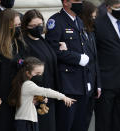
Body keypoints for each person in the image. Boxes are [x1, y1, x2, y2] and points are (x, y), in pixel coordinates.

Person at [45, 0, 91, 131]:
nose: (80, 3)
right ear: (65, 2)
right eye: (77, 1)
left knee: (80, 124)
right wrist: (76, 58)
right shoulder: (56, 21)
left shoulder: (79, 21)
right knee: (66, 124)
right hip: (67, 83)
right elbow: (52, 50)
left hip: (82, 81)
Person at [0, 9, 26, 131]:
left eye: (19, 25)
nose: (18, 28)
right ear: (6, 25)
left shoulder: (18, 41)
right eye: (16, 25)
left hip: (15, 96)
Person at [8, 57, 76, 131]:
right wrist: (63, 97)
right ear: (27, 73)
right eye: (37, 73)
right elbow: (46, 91)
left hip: (27, 121)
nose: (40, 76)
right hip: (25, 122)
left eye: (41, 74)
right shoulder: (28, 84)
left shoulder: (26, 85)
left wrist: (40, 100)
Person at [21, 9, 60, 131]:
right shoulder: (24, 44)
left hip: (49, 95)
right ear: (26, 26)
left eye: (39, 25)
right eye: (33, 26)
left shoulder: (43, 40)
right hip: (37, 98)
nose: (37, 28)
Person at [95, 0, 120, 131]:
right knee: (104, 119)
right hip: (107, 81)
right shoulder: (98, 23)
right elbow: (94, 53)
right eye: (118, 7)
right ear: (108, 8)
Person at [79, 1, 102, 130]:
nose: (93, 20)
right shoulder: (79, 33)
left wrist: (98, 84)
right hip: (81, 84)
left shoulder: (91, 33)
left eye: (95, 17)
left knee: (87, 119)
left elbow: (95, 60)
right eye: (91, 17)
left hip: (92, 85)